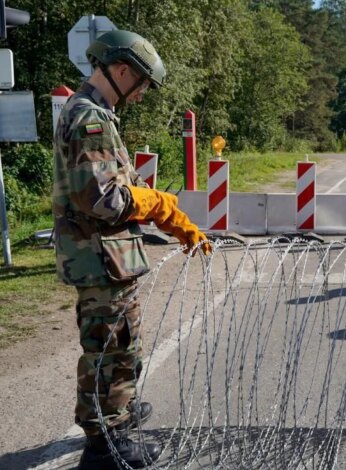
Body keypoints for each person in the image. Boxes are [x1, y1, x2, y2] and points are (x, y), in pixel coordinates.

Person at [53, 30, 211, 469]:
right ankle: (106, 444)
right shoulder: (91, 119)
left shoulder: (95, 112)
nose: (140, 94)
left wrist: (170, 216)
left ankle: (115, 415)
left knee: (117, 345)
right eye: (141, 83)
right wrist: (155, 203)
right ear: (121, 70)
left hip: (106, 256)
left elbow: (121, 184)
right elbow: (104, 200)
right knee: (110, 349)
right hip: (100, 257)